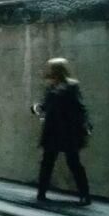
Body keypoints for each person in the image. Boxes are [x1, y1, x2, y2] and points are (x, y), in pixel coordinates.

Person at [32, 58, 92, 205]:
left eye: (51, 69)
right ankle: (41, 193)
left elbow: (79, 108)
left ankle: (85, 194)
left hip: (67, 130)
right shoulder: (51, 87)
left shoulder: (71, 86)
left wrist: (84, 126)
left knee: (73, 163)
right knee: (48, 162)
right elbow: (46, 106)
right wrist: (37, 108)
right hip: (54, 129)